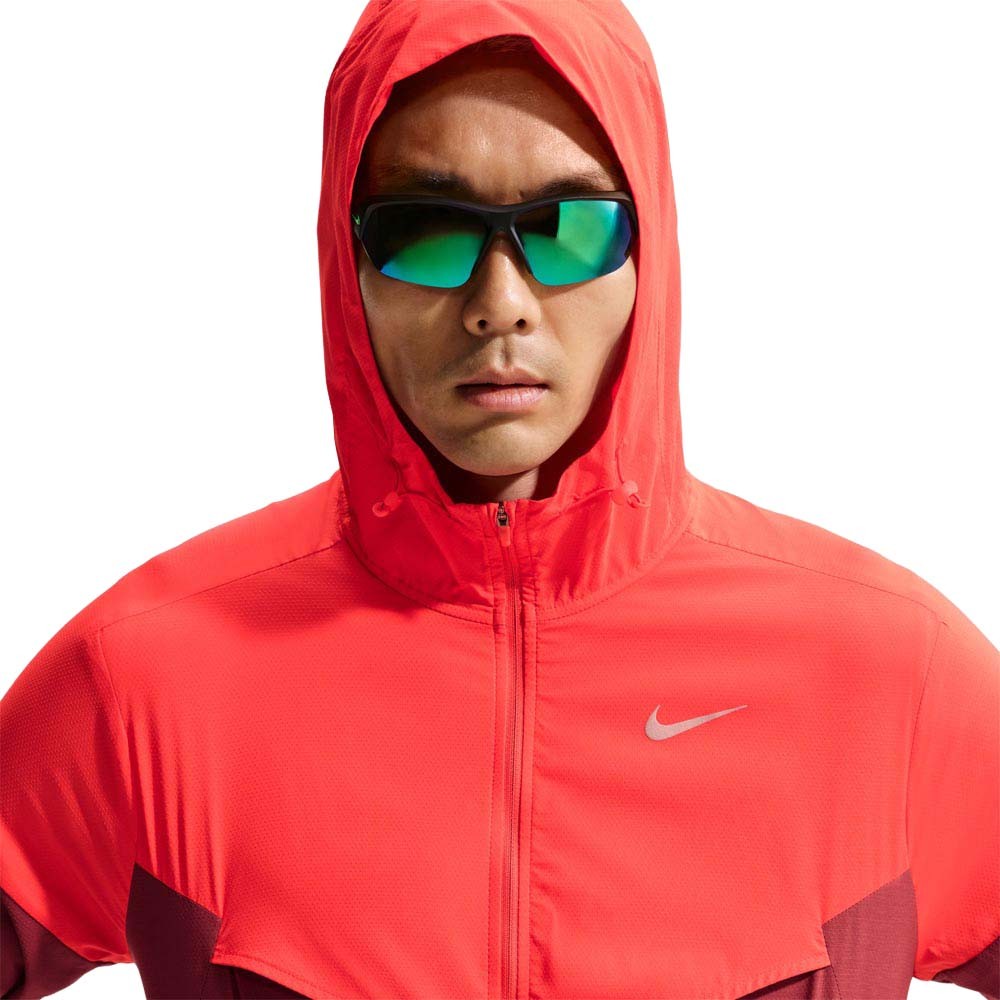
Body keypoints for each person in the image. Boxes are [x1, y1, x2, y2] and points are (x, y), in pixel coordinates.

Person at [2, 2, 997, 998]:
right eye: (424, 229)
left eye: (570, 228)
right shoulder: (150, 672)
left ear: (649, 246)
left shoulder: (883, 669)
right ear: (345, 260)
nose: (500, 303)